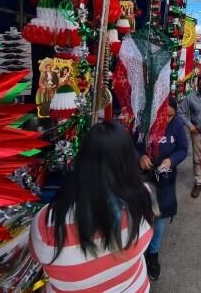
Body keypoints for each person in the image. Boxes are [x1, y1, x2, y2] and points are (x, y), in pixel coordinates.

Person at [30, 122, 156, 292]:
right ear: (128, 161)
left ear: (82, 160)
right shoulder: (144, 198)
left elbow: (38, 261)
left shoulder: (46, 223)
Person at [138, 97, 188, 281]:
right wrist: (141, 155)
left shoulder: (176, 125)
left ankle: (153, 254)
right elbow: (131, 145)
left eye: (170, 116)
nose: (166, 119)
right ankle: (139, 253)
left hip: (165, 178)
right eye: (163, 115)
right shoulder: (143, 123)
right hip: (143, 178)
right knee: (142, 216)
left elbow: (183, 148)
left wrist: (171, 160)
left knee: (160, 218)